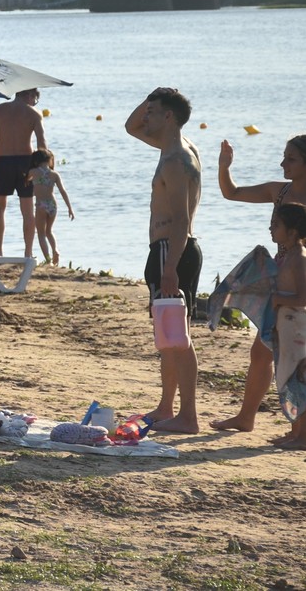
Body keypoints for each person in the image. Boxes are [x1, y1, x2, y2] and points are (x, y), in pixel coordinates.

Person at [211, 133, 306, 433]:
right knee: (262, 351)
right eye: (283, 156)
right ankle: (246, 417)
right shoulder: (279, 192)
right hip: (282, 285)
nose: (282, 163)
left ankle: (296, 430)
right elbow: (232, 193)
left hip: (300, 286)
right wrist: (224, 166)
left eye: (291, 159)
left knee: (296, 359)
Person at [125, 87, 203, 433]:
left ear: (169, 116)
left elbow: (182, 220)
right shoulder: (175, 148)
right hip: (170, 252)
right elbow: (130, 126)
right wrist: (152, 95)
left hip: (172, 252)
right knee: (167, 335)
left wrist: (170, 266)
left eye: (153, 111)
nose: (146, 117)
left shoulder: (175, 160)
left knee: (178, 336)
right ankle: (166, 406)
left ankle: (188, 416)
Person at [0, 87, 46, 259]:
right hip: (26, 163)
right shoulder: (34, 114)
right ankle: (28, 253)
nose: (34, 102)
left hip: (3, 162)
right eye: (35, 99)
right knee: (27, 210)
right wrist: (43, 169)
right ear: (30, 95)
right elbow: (42, 145)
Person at [270, 203, 306, 449]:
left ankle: (303, 437)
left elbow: (303, 298)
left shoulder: (300, 259)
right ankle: (295, 432)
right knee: (285, 375)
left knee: (299, 376)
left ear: (292, 232)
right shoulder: (287, 256)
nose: (271, 229)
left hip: (297, 325)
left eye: (276, 225)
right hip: (285, 324)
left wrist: (278, 300)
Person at [29, 150, 75, 266]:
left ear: (35, 161)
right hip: (52, 204)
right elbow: (63, 191)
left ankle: (48, 259)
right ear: (49, 160)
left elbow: (25, 182)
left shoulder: (33, 172)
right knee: (49, 231)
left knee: (41, 233)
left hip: (41, 205)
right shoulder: (54, 174)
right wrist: (70, 208)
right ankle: (55, 250)